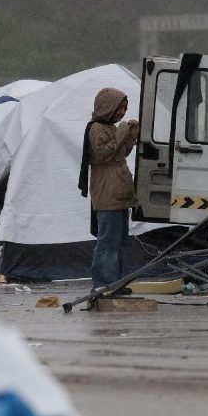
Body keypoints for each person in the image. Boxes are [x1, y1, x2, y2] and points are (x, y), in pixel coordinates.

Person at [78, 87, 140, 293]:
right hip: (107, 191)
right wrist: (122, 131)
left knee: (119, 241)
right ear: (108, 107)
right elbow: (103, 154)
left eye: (124, 108)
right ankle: (103, 283)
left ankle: (115, 283)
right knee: (108, 242)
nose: (122, 112)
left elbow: (120, 151)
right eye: (119, 108)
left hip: (119, 190)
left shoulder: (111, 128)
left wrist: (130, 136)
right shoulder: (96, 128)